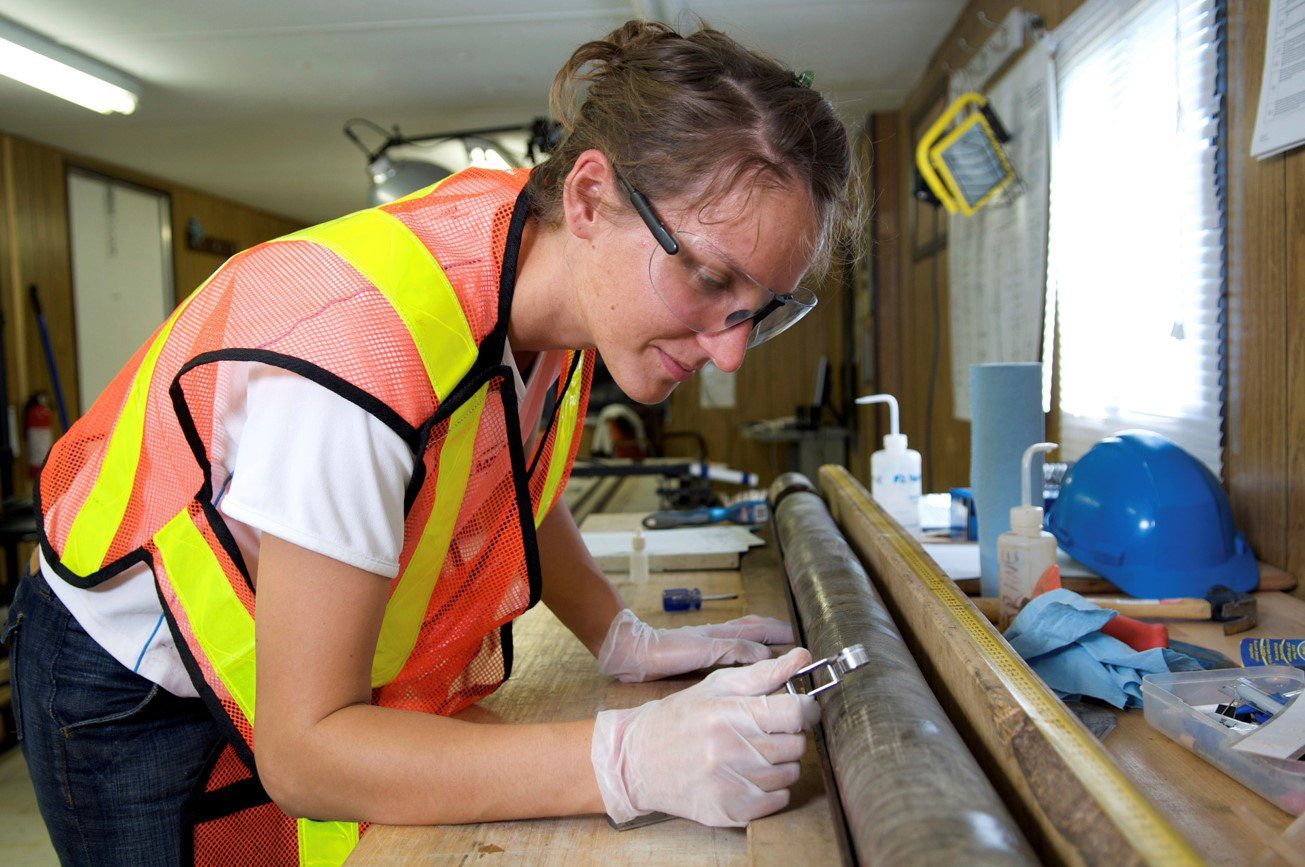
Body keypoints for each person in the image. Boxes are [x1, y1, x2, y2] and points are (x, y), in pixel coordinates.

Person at [2, 18, 853, 865]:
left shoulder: (546, 271)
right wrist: (627, 759)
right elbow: (307, 754)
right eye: (709, 278)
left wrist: (618, 635)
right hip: (129, 675)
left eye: (761, 309)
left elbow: (511, 475)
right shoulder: (354, 360)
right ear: (590, 198)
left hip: (278, 665)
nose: (730, 352)